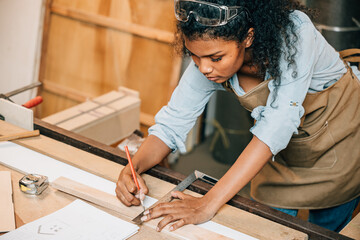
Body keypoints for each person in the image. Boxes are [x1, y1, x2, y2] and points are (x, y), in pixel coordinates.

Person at [116, 0, 360, 233]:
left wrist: (207, 203)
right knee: (262, 228)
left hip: (339, 147)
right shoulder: (208, 56)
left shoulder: (295, 32)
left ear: (248, 37)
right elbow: (172, 122)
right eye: (194, 55)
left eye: (216, 58)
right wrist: (135, 166)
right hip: (281, 153)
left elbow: (277, 125)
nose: (204, 68)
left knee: (324, 232)